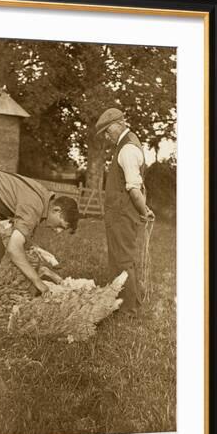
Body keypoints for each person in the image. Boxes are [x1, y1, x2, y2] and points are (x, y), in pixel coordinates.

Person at [0, 169, 79, 324]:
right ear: (56, 210)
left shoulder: (44, 199)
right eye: (61, 225)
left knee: (1, 249)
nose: (59, 232)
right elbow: (14, 249)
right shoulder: (33, 207)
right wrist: (38, 282)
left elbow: (24, 241)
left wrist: (49, 268)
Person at [95, 108, 154, 314]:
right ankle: (125, 302)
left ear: (118, 124)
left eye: (106, 130)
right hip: (120, 213)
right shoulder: (126, 144)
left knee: (123, 259)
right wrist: (143, 208)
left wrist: (143, 210)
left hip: (122, 214)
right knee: (122, 257)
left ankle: (129, 309)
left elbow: (134, 188)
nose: (105, 135)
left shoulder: (127, 149)